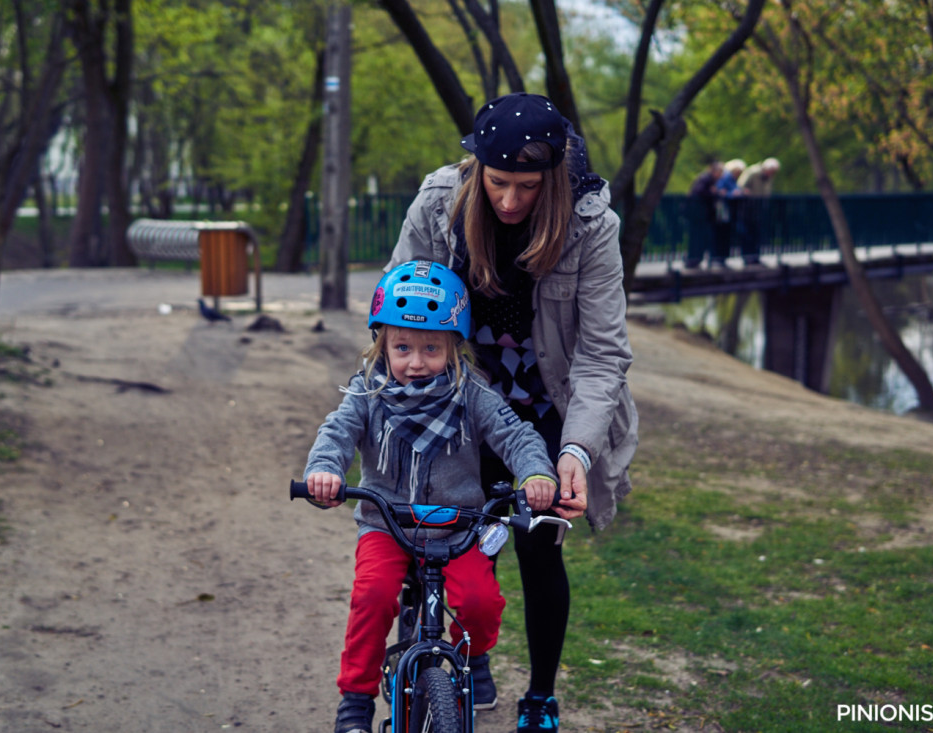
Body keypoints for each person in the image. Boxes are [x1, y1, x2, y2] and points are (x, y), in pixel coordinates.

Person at [386, 92, 639, 733]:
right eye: (497, 182)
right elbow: (396, 307)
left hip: (549, 404)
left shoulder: (590, 226)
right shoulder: (438, 204)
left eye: (527, 187)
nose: (508, 200)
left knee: (538, 543)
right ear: (478, 169)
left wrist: (576, 449)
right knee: (452, 539)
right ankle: (466, 659)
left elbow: (602, 354)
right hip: (458, 399)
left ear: (552, 176)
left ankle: (541, 696)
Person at [303, 259, 559, 733]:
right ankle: (355, 699)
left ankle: (473, 657)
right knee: (372, 597)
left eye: (430, 348)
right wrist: (324, 471)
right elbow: (336, 433)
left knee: (481, 601)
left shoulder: (471, 392)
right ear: (382, 344)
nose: (415, 362)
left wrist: (535, 473)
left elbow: (517, 435)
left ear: (454, 348)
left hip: (456, 529)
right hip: (387, 526)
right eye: (402, 347)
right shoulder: (368, 391)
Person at [736, 157, 780, 265]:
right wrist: (748, 194)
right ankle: (747, 257)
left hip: (759, 208)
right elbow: (740, 186)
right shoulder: (752, 172)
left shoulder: (769, 177)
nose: (772, 174)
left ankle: (755, 256)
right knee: (747, 233)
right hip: (747, 208)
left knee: (757, 233)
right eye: (772, 171)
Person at [683, 160, 723, 269]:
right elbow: (699, 192)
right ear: (714, 171)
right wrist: (713, 192)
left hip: (701, 213)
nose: (721, 175)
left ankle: (696, 259)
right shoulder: (705, 179)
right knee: (697, 237)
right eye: (720, 172)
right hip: (698, 214)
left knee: (700, 237)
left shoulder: (709, 179)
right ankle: (693, 260)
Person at [710, 159, 747, 268]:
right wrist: (732, 194)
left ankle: (723, 257)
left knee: (727, 234)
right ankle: (718, 258)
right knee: (721, 234)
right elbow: (720, 192)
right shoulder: (725, 178)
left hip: (730, 211)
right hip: (723, 210)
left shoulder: (734, 180)